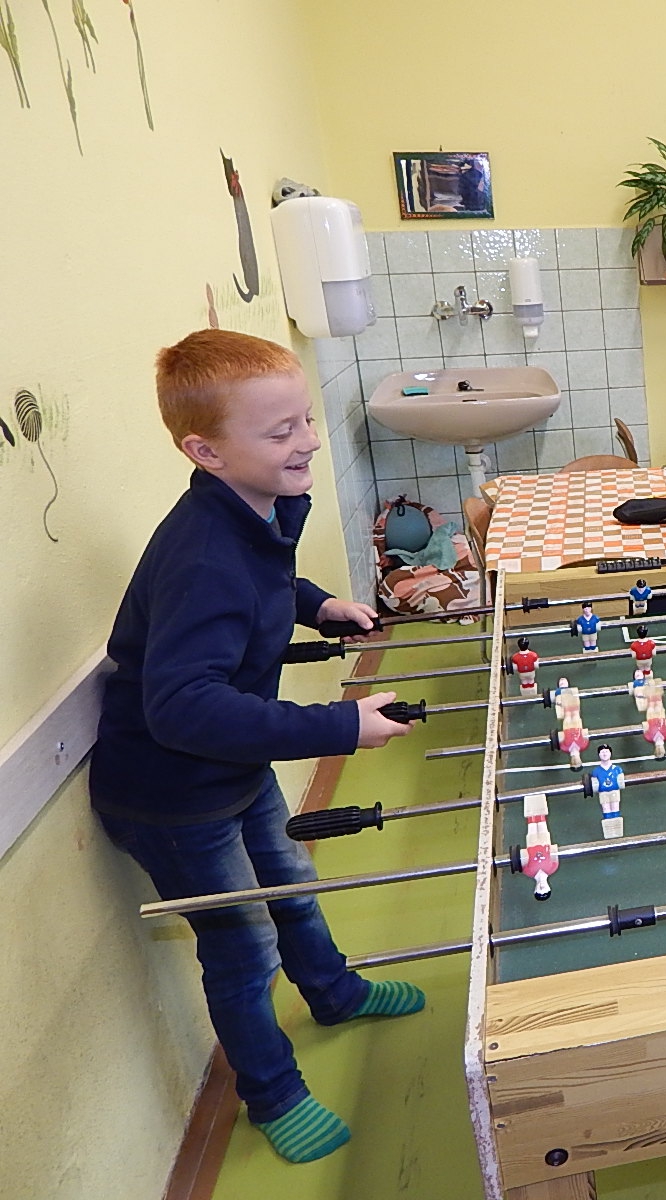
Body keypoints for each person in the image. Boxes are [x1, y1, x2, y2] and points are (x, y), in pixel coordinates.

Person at [91, 329, 421, 1164]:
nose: (308, 440)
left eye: (305, 419)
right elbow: (182, 707)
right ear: (206, 452)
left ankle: (335, 993)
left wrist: (316, 604)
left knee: (293, 887)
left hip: (231, 767)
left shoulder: (253, 504)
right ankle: (272, 1094)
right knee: (244, 950)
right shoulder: (203, 554)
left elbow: (264, 581)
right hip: (173, 797)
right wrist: (338, 726)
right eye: (281, 432)